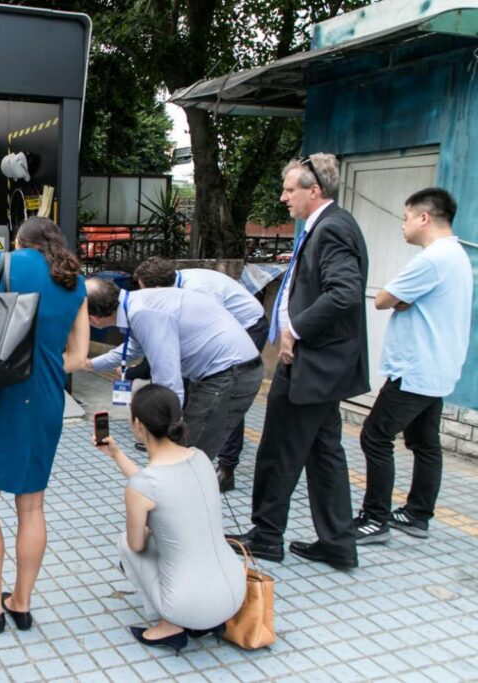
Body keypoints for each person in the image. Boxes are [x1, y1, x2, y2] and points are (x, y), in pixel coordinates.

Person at [229, 153, 369, 570]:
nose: (283, 197)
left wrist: (295, 330)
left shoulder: (333, 229)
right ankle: (338, 543)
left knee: (278, 449)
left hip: (312, 364)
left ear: (315, 190)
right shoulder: (324, 226)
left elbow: (343, 293)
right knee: (324, 453)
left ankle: (267, 535)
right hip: (320, 367)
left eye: (290, 189)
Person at [0, 216, 89, 633]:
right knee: (31, 506)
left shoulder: (4, 261)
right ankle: (22, 602)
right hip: (48, 399)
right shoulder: (76, 281)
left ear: (21, 241)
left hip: (2, 395)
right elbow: (79, 355)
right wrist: (43, 367)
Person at [355, 188, 473, 543]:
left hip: (415, 369)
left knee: (374, 436)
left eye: (406, 218)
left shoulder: (433, 259)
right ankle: (417, 514)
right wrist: (401, 300)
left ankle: (375, 519)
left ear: (424, 218)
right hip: (439, 368)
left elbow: (382, 299)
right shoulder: (457, 255)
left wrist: (397, 300)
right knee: (425, 442)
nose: (402, 226)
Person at [94, 384, 246, 653]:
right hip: (234, 593)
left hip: (187, 604)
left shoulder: (141, 488)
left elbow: (137, 543)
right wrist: (117, 454)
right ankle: (204, 622)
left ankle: (170, 625)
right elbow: (155, 484)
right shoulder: (200, 458)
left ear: (138, 424)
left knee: (127, 543)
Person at [84, 279, 263, 464]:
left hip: (229, 373)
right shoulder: (135, 303)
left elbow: (168, 380)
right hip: (225, 370)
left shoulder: (143, 313)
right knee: (184, 454)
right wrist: (90, 364)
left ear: (93, 318)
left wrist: (163, 434)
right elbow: (132, 349)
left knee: (184, 457)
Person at [134, 257, 268, 491]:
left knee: (226, 394)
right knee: (197, 392)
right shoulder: (174, 288)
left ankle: (226, 467)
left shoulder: (197, 291)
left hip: (246, 328)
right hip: (223, 335)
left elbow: (207, 328)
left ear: (157, 289)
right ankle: (179, 441)